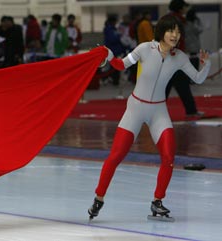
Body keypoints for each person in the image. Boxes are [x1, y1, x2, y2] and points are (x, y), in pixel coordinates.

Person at [88, 14, 211, 221]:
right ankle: (98, 198)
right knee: (116, 156)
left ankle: (157, 201)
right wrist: (109, 55)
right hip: (135, 108)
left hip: (159, 111)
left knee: (169, 157)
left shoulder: (179, 56)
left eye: (178, 31)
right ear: (162, 31)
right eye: (171, 30)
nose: (175, 35)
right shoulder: (145, 49)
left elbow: (197, 79)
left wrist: (205, 65)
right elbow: (120, 65)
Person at [166, 0, 204, 118]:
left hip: (172, 57)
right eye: (185, 6)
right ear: (180, 8)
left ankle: (191, 110)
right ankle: (191, 110)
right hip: (173, 57)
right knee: (177, 85)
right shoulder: (175, 20)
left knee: (174, 85)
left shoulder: (174, 19)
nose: (186, 8)